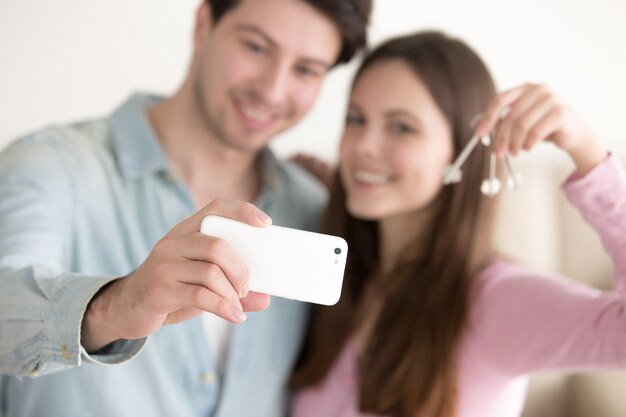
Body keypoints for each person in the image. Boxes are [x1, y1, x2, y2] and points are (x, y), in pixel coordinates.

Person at [0, 0, 371, 416]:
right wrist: (117, 305)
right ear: (202, 25)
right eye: (256, 47)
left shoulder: (313, 211)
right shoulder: (51, 165)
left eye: (306, 70)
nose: (272, 90)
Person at [290, 31, 623, 417]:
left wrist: (587, 153)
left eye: (401, 127)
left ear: (463, 151)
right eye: (356, 119)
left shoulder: (497, 303)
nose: (364, 144)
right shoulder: (342, 274)